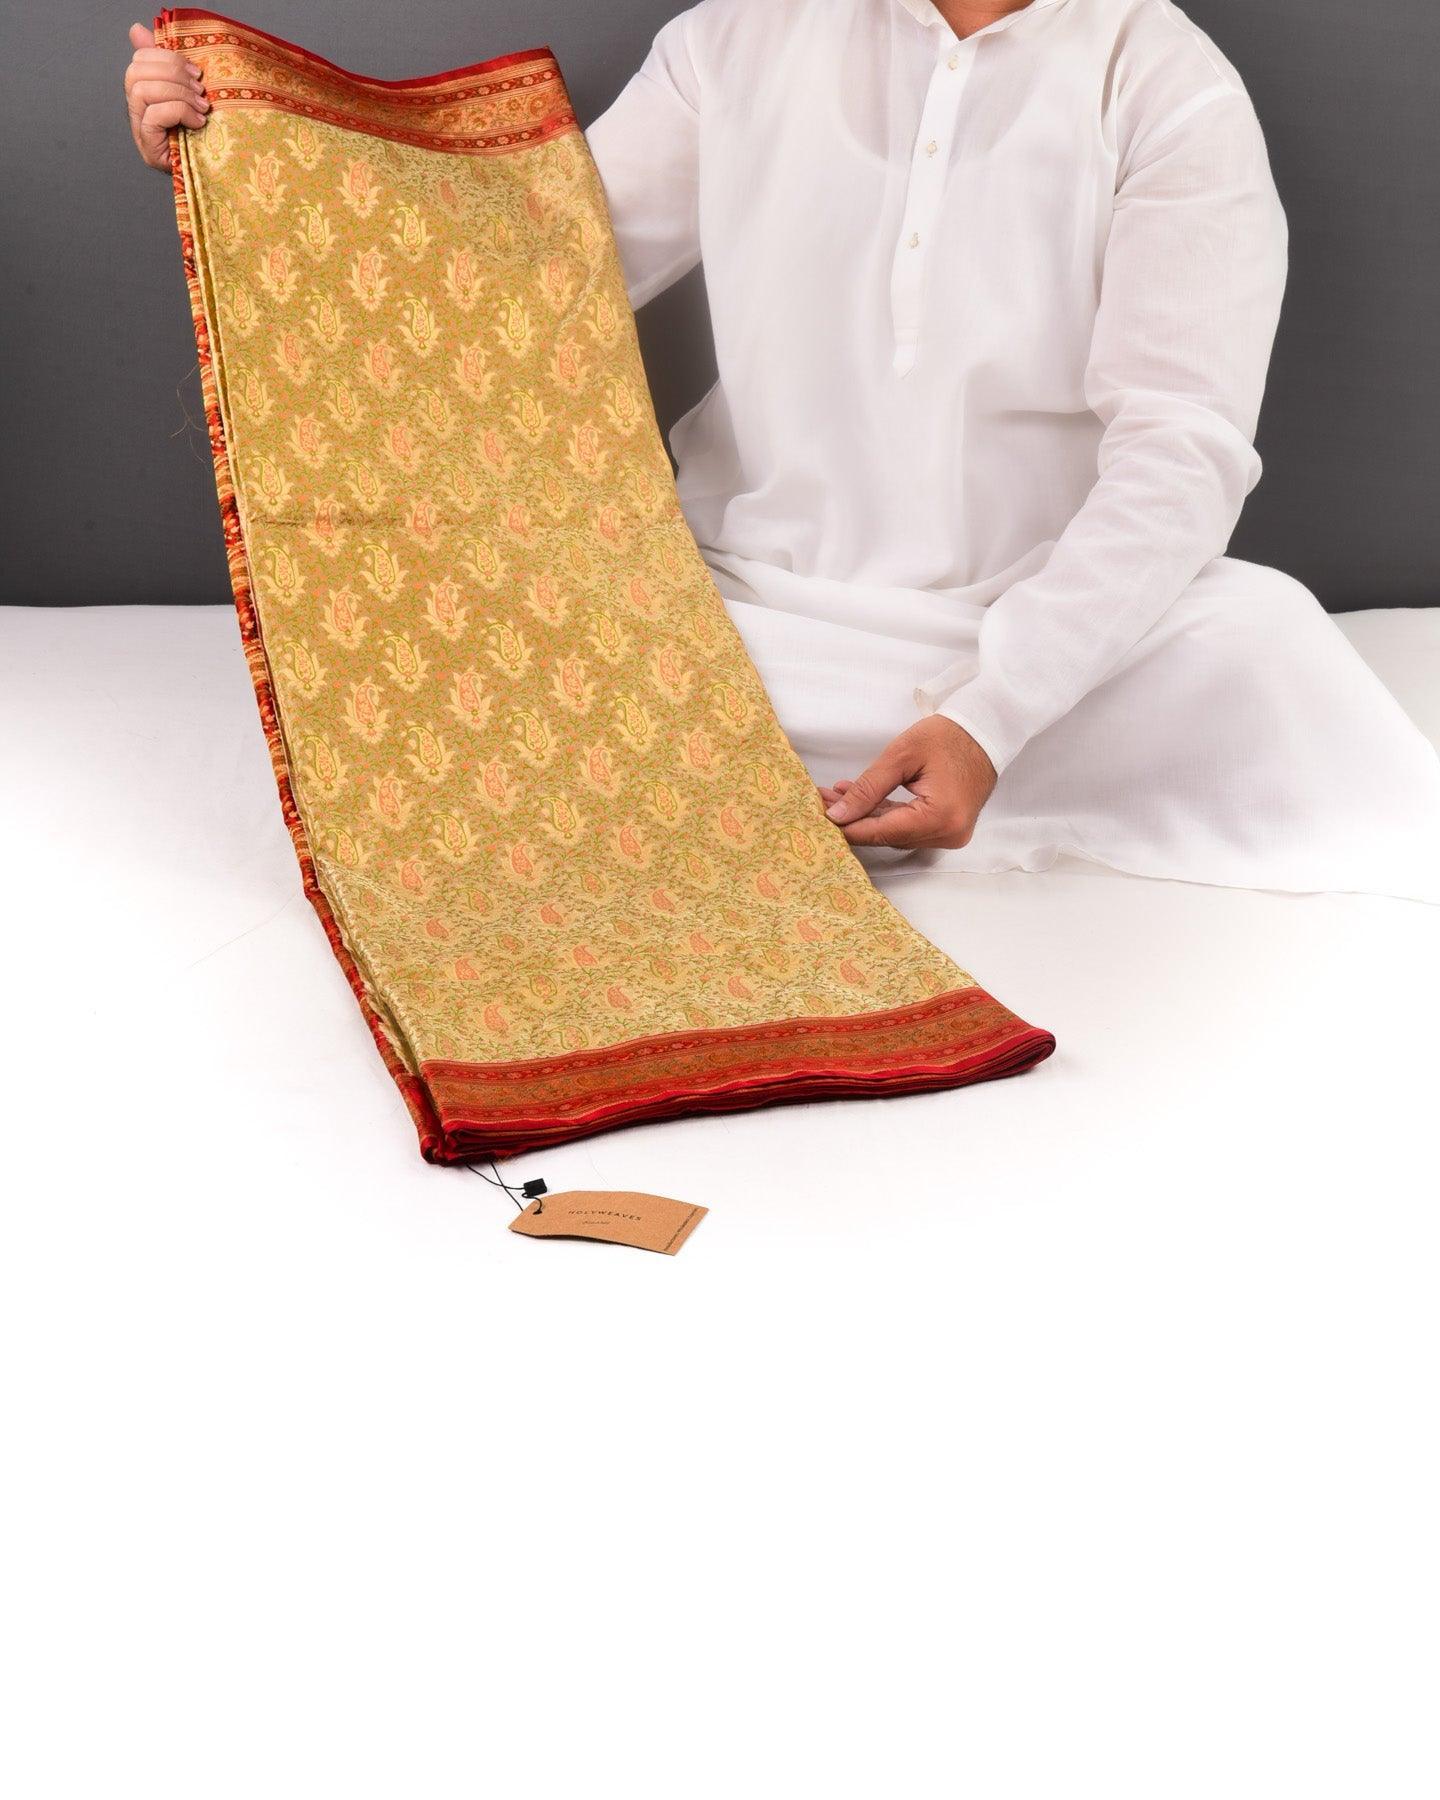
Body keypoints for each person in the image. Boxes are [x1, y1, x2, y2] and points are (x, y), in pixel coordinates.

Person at [124, 2, 1440, 899]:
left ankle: (808, 774)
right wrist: (233, 154)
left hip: (1042, 636)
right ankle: (769, 763)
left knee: (1263, 643)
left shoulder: (1165, 83)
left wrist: (990, 718)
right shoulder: (739, 36)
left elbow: (1182, 454)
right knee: (475, 599)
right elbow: (504, 281)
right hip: (729, 610)